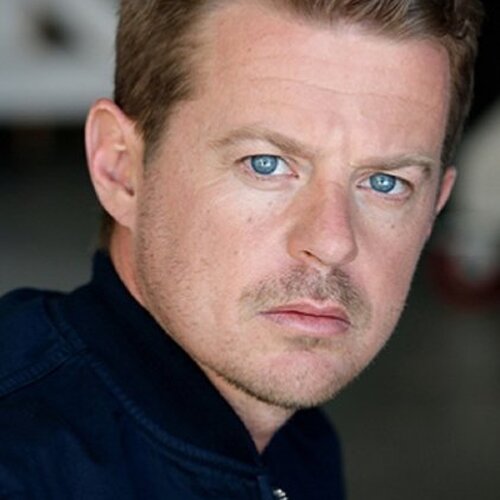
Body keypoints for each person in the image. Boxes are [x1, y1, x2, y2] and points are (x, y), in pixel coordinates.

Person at [0, 0, 483, 498]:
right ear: (121, 168)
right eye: (265, 164)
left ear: (435, 205)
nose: (333, 242)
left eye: (385, 182)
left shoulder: (296, 444)